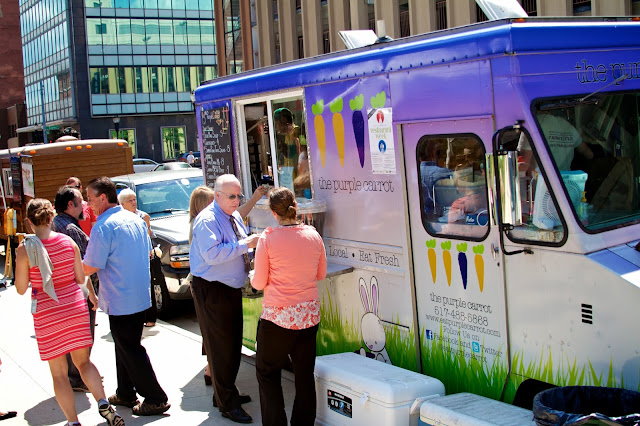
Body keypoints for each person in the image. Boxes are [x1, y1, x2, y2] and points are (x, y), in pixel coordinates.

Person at [14, 199, 124, 426]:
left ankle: (73, 422)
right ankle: (103, 402)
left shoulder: (26, 249)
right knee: (84, 363)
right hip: (74, 306)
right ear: (51, 217)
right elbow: (80, 279)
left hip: (47, 311)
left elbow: (21, 288)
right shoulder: (67, 241)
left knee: (59, 374)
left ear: (29, 222)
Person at [82, 177, 170, 417]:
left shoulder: (103, 226)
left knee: (129, 347)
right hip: (137, 294)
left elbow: (91, 265)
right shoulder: (134, 219)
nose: (87, 204)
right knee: (124, 345)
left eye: (90, 198)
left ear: (102, 198)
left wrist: (68, 267)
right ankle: (125, 392)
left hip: (121, 297)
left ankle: (155, 397)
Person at [251, 187, 327, 426]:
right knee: (304, 377)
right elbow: (321, 274)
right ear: (296, 207)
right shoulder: (313, 235)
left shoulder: (268, 238)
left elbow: (259, 282)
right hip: (308, 317)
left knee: (267, 373)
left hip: (277, 320)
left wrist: (255, 274)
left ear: (273, 213)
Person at [189, 174, 261, 424]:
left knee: (231, 346)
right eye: (232, 196)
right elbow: (212, 255)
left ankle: (224, 395)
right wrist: (246, 244)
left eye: (239, 195)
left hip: (228, 288)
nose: (236, 200)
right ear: (216, 195)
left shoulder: (232, 215)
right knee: (221, 349)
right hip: (212, 289)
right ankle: (227, 403)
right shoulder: (207, 220)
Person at [52, 186, 97, 393]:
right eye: (81, 201)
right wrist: (93, 293)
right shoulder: (70, 229)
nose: (84, 206)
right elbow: (82, 264)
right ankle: (79, 376)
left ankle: (79, 374)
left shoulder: (57, 223)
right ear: (70, 204)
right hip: (77, 290)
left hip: (62, 291)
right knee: (83, 337)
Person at [117, 188, 157, 327]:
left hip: (144, 255)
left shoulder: (142, 216)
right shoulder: (119, 219)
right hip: (128, 259)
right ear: (122, 204)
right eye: (130, 200)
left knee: (147, 284)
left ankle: (150, 317)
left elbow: (148, 235)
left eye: (134, 199)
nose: (134, 202)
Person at [419, 141, 453, 214]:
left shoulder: (413, 174)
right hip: (439, 215)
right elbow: (459, 179)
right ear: (432, 153)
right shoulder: (444, 173)